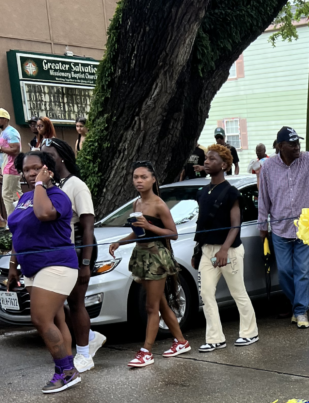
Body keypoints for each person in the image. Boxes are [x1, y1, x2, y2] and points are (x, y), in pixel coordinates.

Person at [6, 152, 81, 392]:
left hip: (56, 264)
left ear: (47, 169)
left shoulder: (58, 196)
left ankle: (67, 371)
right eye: (26, 169)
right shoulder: (25, 197)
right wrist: (12, 266)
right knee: (57, 320)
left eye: (35, 168)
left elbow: (43, 214)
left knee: (40, 319)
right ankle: (64, 369)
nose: (29, 173)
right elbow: (18, 232)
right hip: (31, 268)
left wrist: (40, 183)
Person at [108, 161, 191, 366]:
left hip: (156, 257)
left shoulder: (159, 204)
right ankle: (181, 341)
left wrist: (149, 226)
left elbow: (173, 233)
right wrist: (120, 241)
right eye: (135, 177)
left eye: (143, 177)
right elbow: (139, 233)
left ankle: (146, 351)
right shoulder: (136, 203)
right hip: (141, 255)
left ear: (153, 179)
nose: (139, 181)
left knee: (151, 306)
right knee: (160, 303)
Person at [44, 138, 107, 372]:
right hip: (59, 249)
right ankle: (89, 336)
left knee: (76, 301)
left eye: (49, 155)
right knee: (61, 301)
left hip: (80, 247)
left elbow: (88, 227)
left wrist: (86, 263)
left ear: (62, 157)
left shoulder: (76, 185)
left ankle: (84, 355)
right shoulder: (51, 185)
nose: (45, 159)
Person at [194, 143, 259, 351]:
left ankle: (250, 333)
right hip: (208, 252)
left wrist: (223, 249)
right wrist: (198, 250)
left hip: (228, 251)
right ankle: (215, 338)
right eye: (206, 158)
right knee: (206, 293)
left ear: (224, 165)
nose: (206, 161)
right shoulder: (203, 192)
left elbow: (235, 224)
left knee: (237, 291)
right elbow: (202, 223)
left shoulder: (231, 192)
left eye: (212, 159)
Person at [258, 126, 309, 329]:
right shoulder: (268, 167)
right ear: (279, 146)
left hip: (306, 227)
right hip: (280, 229)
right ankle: (298, 304)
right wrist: (263, 225)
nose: (297, 147)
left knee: (303, 271)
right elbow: (264, 197)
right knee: (286, 272)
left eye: (298, 142)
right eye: (292, 143)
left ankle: (300, 311)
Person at [0, 108, 22, 226]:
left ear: (4, 119)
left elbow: (16, 150)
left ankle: (11, 222)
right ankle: (27, 212)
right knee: (16, 194)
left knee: (6, 194)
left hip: (11, 167)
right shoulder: (4, 133)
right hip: (7, 168)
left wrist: (1, 149)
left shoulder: (11, 132)